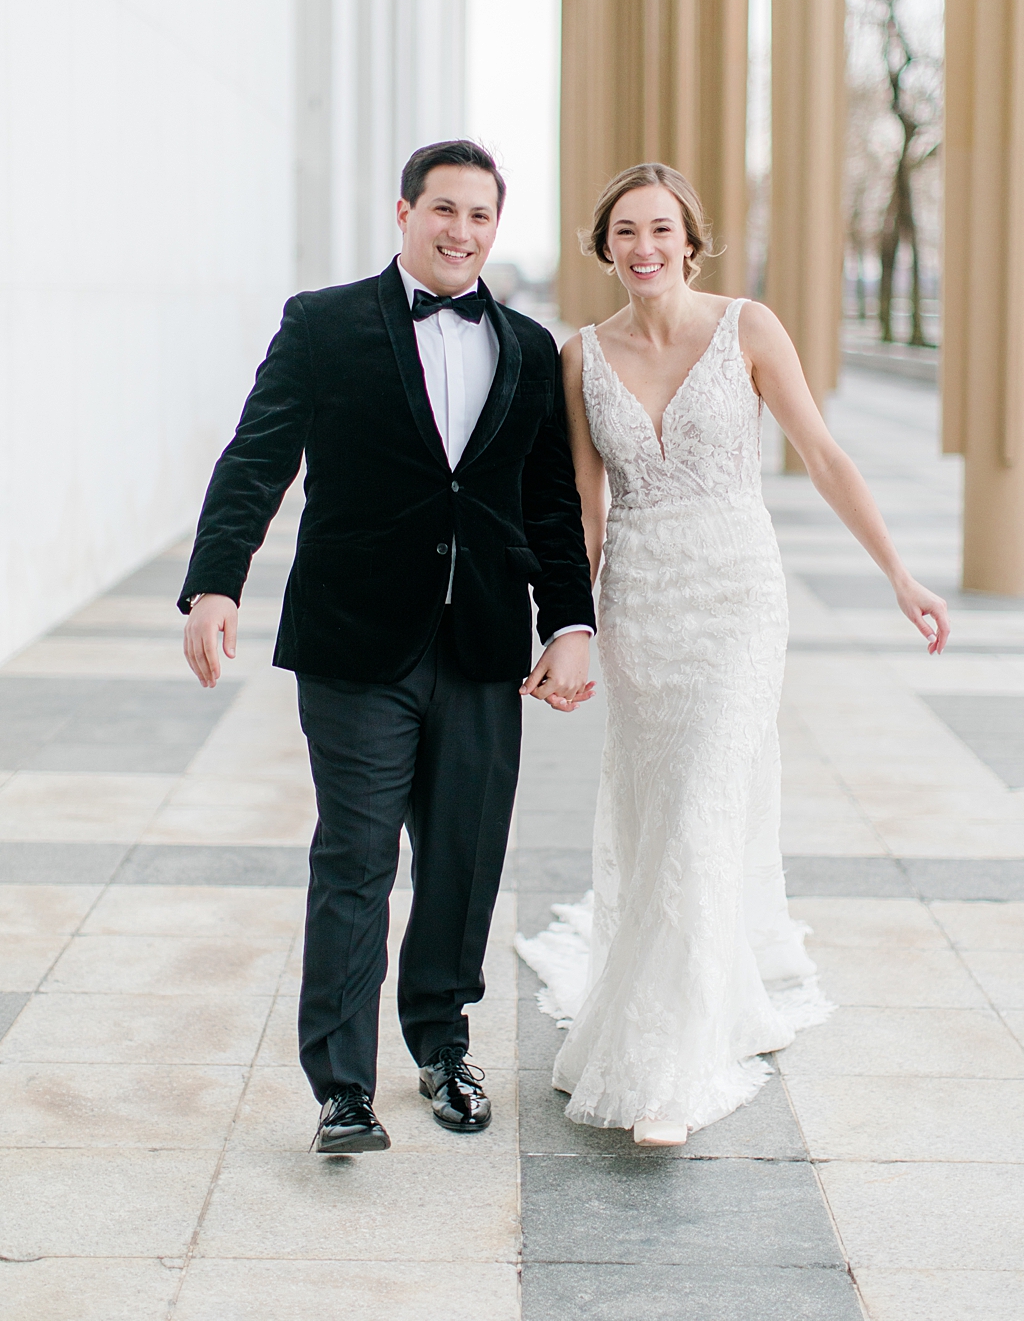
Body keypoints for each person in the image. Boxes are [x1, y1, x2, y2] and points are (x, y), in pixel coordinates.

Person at [518, 162, 949, 1147]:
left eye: (660, 229)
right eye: (625, 231)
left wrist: (899, 575)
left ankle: (672, 1069)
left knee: (704, 807)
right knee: (661, 814)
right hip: (641, 603)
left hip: (737, 600)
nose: (643, 248)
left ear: (690, 241)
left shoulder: (747, 327)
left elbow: (825, 455)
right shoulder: (578, 356)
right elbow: (584, 508)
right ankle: (670, 1001)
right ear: (604, 246)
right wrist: (566, 630)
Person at [179, 140, 596, 1154]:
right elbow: (259, 453)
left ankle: (442, 1046)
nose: (460, 231)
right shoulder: (323, 324)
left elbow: (547, 503)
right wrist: (214, 581)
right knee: (356, 858)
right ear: (403, 212)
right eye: (443, 209)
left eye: (480, 216)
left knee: (462, 861)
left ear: (497, 228)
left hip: (483, 641)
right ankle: (341, 1087)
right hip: (356, 640)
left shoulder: (530, 348)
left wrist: (571, 625)